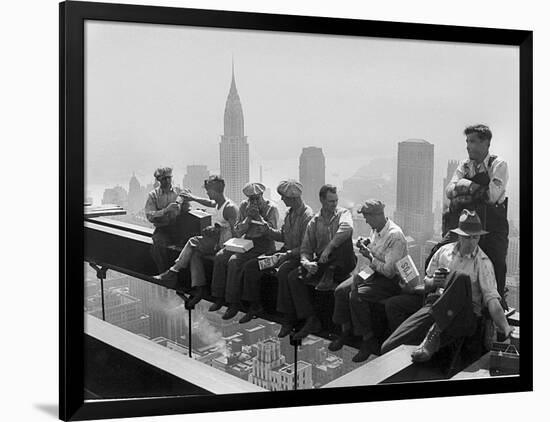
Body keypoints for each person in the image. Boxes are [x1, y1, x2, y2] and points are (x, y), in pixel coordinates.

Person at [381, 210, 514, 363]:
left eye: (475, 237)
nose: (471, 242)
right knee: (388, 347)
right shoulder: (443, 252)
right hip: (436, 306)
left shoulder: (483, 263)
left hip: (463, 314)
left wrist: (505, 327)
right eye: (467, 237)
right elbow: (427, 282)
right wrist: (434, 282)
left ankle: (434, 335)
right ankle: (423, 343)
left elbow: (492, 300)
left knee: (460, 278)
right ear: (459, 236)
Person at [329, 199, 409, 362]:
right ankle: (345, 331)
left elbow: (389, 271)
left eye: (367, 217)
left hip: (390, 280)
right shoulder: (376, 230)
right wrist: (366, 244)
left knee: (356, 295)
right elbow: (376, 251)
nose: (365, 220)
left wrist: (369, 255)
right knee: (341, 291)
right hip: (372, 271)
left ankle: (368, 339)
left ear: (378, 215)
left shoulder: (395, 236)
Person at [442, 124, 509, 301]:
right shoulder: (465, 166)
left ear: (486, 143)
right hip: (466, 225)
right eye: (467, 141)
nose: (467, 146)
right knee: (440, 251)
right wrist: (471, 188)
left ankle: (496, 307)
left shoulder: (498, 165)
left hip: (492, 226)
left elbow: (491, 197)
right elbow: (449, 191)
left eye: (472, 141)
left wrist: (466, 185)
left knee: (496, 264)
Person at [280, 184, 356, 340]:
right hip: (324, 262)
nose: (334, 204)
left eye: (335, 200)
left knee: (343, 241)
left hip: (343, 261)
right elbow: (306, 249)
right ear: (322, 200)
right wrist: (307, 262)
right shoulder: (315, 221)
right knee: (294, 277)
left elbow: (347, 228)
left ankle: (331, 271)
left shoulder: (343, 214)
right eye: (330, 201)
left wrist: (329, 248)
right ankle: (310, 319)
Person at [153, 176, 238, 307]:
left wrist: (218, 229)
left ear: (214, 191)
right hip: (215, 241)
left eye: (208, 191)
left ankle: (173, 271)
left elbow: (236, 232)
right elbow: (209, 203)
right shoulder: (219, 203)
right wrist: (192, 198)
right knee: (195, 254)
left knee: (193, 241)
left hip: (223, 245)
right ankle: (199, 290)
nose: (207, 193)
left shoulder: (230, 208)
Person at [239, 180, 314, 326]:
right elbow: (283, 235)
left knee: (284, 271)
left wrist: (287, 254)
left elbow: (306, 247)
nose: (282, 199)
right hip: (284, 253)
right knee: (252, 266)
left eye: (284, 196)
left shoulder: (307, 216)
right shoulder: (289, 213)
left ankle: (287, 315)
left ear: (293, 198)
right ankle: (255, 305)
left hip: (297, 257)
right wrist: (268, 230)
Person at [209, 182, 279, 320]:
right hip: (245, 242)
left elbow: (273, 234)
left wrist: (258, 217)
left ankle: (233, 302)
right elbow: (237, 231)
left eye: (256, 198)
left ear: (261, 196)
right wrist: (248, 218)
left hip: (263, 245)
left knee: (234, 262)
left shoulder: (272, 209)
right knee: (220, 257)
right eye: (250, 199)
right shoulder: (243, 206)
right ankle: (218, 296)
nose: (253, 202)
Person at [145, 167, 189, 272]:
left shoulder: (178, 191)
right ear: (159, 180)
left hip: (179, 228)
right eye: (164, 179)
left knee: (190, 246)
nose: (168, 181)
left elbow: (187, 204)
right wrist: (165, 211)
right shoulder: (153, 195)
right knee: (158, 247)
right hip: (163, 229)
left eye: (169, 178)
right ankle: (165, 273)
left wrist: (183, 204)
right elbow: (149, 215)